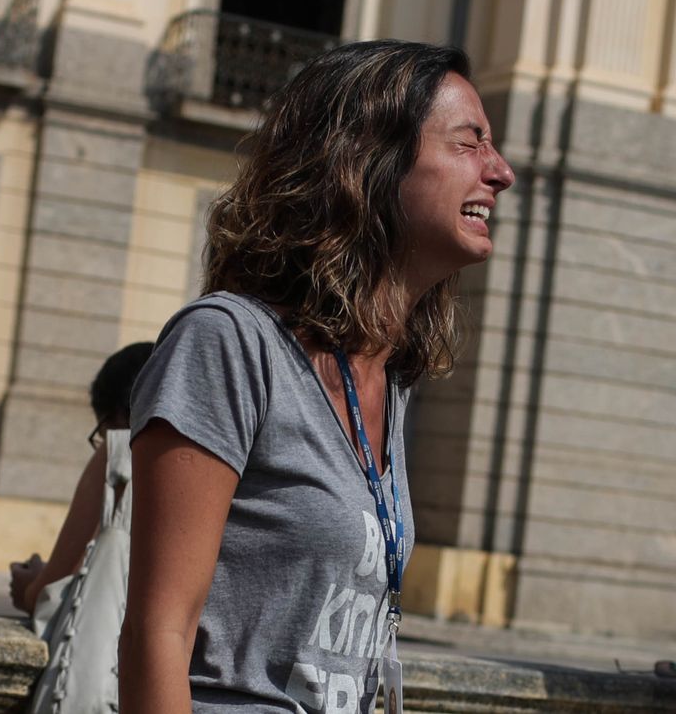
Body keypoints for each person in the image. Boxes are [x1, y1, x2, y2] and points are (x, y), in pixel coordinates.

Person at [119, 40, 516, 713]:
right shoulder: (228, 343)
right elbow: (158, 632)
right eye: (469, 142)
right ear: (369, 161)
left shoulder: (388, 382)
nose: (500, 171)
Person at [9, 341, 155, 616]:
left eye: (101, 432)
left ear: (115, 416)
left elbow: (48, 594)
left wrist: (27, 584)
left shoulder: (120, 451)